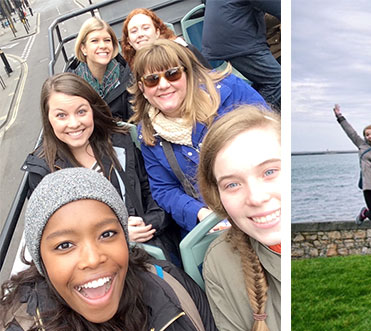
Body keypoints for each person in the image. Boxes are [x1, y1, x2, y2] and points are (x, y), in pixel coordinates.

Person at [0, 167, 229, 331]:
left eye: (107, 234)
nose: (92, 259)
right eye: (64, 245)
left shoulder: (171, 284)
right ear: (41, 261)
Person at [24, 73, 178, 261]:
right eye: (61, 115)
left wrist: (149, 223)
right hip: (91, 261)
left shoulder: (120, 141)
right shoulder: (42, 171)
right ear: (48, 119)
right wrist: (116, 233)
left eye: (81, 112)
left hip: (146, 248)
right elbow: (54, 237)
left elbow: (152, 190)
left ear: (92, 111)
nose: (74, 123)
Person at [131, 40, 266, 235]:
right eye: (152, 80)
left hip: (257, 201)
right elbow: (164, 189)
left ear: (187, 74)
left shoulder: (230, 90)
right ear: (142, 88)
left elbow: (269, 135)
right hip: (212, 225)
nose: (163, 85)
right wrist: (200, 213)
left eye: (172, 74)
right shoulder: (148, 134)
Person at [197, 105, 281, 331]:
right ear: (217, 196)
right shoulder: (221, 264)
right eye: (232, 184)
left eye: (270, 172)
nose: (256, 197)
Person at [201, 0, 281, 110]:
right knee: (278, 80)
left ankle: (246, 111)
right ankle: (255, 117)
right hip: (238, 41)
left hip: (226, 38)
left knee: (264, 81)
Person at [66, 17, 132, 120]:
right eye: (94, 41)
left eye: (107, 40)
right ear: (83, 48)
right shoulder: (71, 85)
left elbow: (134, 117)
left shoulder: (127, 75)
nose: (102, 45)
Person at [121, 8, 209, 71]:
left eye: (145, 28)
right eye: (134, 31)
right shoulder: (130, 71)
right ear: (129, 41)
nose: (140, 34)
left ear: (157, 32)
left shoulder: (184, 52)